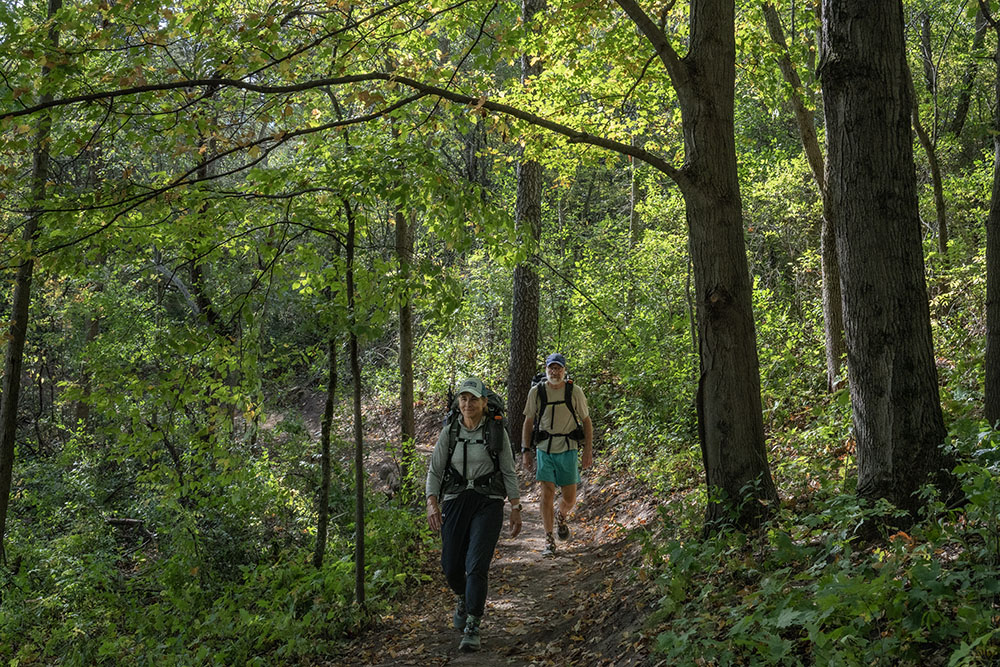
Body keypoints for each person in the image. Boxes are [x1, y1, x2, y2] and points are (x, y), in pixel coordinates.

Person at [426, 377, 522, 652]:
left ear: (483, 402)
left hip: (488, 501)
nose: (468, 404)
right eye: (463, 399)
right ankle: (462, 597)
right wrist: (432, 503)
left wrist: (515, 507)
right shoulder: (451, 431)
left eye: (473, 399)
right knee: (450, 565)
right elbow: (434, 470)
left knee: (477, 563)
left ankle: (473, 623)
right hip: (456, 499)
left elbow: (508, 471)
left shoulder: (496, 430)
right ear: (459, 403)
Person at [521, 353, 593, 556]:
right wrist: (525, 451)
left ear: (564, 370)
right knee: (547, 493)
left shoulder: (574, 391)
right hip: (545, 448)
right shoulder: (536, 392)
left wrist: (587, 450)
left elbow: (586, 421)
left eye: (558, 368)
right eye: (551, 368)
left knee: (569, 498)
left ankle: (561, 516)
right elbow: (528, 422)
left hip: (568, 448)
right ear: (546, 370)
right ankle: (549, 539)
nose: (555, 372)